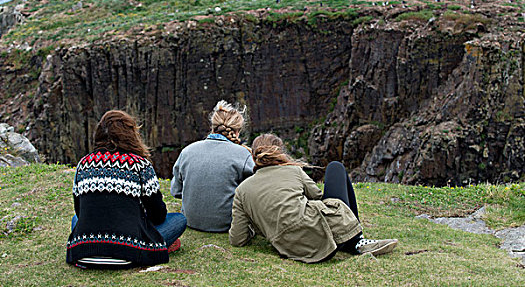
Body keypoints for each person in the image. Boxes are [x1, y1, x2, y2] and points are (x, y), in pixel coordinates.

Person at [229, 133, 398, 263]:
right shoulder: (293, 171)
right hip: (317, 233)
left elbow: (237, 239)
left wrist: (259, 225)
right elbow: (318, 196)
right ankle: (356, 240)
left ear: (253, 157)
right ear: (281, 153)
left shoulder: (242, 190)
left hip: (288, 248)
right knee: (335, 167)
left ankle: (352, 239)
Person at [66, 110, 187, 269]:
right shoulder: (140, 165)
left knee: (76, 220)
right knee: (179, 219)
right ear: (131, 134)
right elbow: (158, 215)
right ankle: (157, 245)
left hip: (83, 253)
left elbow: (80, 211)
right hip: (128, 253)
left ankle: (94, 246)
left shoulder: (83, 164)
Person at [171, 100, 255, 232]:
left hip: (190, 221)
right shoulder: (243, 154)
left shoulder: (187, 151)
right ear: (237, 131)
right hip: (227, 224)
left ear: (212, 126)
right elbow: (253, 196)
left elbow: (176, 192)